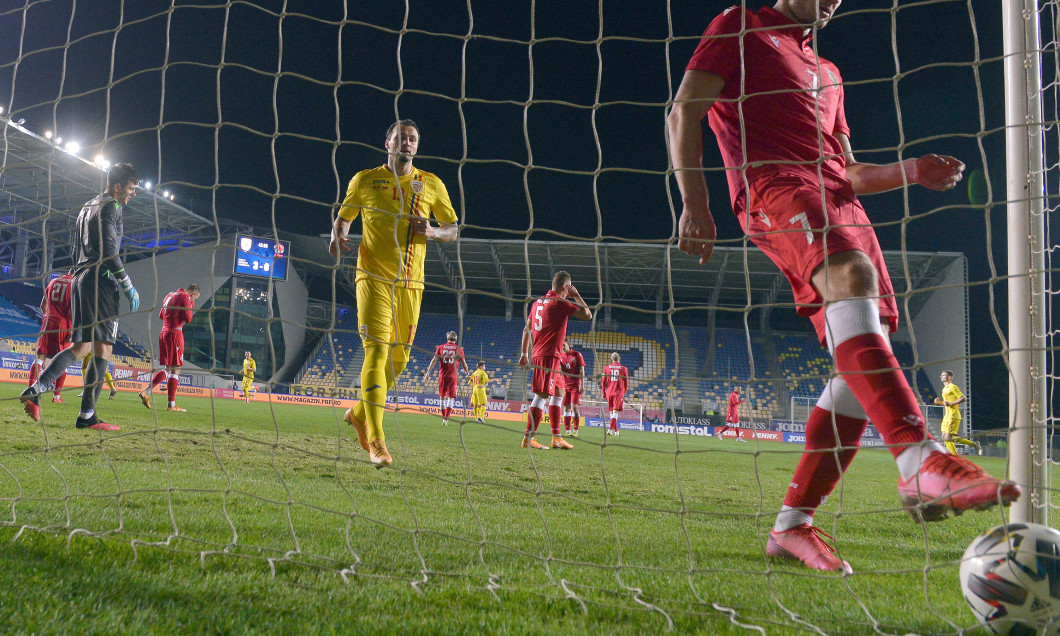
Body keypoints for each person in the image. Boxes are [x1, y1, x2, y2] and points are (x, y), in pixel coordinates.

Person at [667, 0, 1019, 573]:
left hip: (840, 204)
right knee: (851, 284)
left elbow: (848, 171)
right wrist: (695, 203)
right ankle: (920, 460)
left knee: (857, 367)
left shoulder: (829, 73)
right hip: (775, 186)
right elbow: (685, 110)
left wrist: (911, 171)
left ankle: (792, 526)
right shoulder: (740, 26)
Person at [330, 120, 458, 467]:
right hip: (372, 278)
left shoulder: (431, 184)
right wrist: (337, 234)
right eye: (401, 137)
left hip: (411, 284)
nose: (407, 142)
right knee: (376, 352)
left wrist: (432, 232)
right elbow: (344, 218)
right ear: (388, 142)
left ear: (417, 146)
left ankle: (358, 413)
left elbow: (453, 229)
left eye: (413, 138)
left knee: (398, 361)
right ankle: (376, 440)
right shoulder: (365, 179)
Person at [20, 163, 141, 430]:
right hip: (100, 281)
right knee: (104, 348)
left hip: (80, 278)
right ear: (117, 186)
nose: (133, 194)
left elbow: (76, 247)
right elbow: (109, 250)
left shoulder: (88, 205)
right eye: (131, 189)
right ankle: (87, 416)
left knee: (81, 347)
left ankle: (37, 388)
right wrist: (126, 282)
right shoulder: (113, 206)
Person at [519, 271, 592, 450]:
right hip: (549, 354)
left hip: (546, 354)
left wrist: (524, 354)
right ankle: (528, 438)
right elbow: (587, 315)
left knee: (559, 393)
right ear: (564, 287)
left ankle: (556, 437)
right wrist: (577, 295)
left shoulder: (537, 302)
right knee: (542, 395)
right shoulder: (560, 302)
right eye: (569, 289)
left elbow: (526, 329)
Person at [138, 284, 200, 412]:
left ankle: (148, 392)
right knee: (175, 369)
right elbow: (188, 318)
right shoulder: (185, 297)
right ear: (193, 294)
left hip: (163, 333)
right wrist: (191, 305)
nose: (193, 301)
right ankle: (170, 404)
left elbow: (161, 315)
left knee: (168, 368)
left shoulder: (170, 294)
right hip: (175, 334)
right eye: (195, 299)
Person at [29, 272, 73, 404]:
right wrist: (71, 329)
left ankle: (30, 389)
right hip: (63, 325)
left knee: (40, 357)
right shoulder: (76, 285)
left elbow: (43, 305)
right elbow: (72, 311)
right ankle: (57, 397)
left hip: (47, 321)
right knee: (62, 360)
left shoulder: (53, 282)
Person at [422, 330, 470, 426]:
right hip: (453, 376)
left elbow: (434, 360)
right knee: (451, 398)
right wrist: (467, 373)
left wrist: (428, 372)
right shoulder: (459, 349)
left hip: (442, 376)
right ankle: (446, 419)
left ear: (447, 339)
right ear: (455, 340)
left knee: (442, 397)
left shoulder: (440, 347)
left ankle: (444, 418)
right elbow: (464, 363)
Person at [934, 370, 979, 456]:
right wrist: (939, 402)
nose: (941, 376)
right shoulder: (944, 389)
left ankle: (955, 457)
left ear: (949, 377)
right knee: (945, 438)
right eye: (941, 375)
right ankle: (973, 444)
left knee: (947, 438)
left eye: (943, 375)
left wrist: (951, 403)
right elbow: (947, 403)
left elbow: (963, 398)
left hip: (953, 415)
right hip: (947, 415)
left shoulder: (953, 387)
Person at [559, 341, 586, 436]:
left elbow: (582, 370)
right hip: (565, 385)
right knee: (566, 407)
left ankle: (576, 430)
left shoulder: (577, 354)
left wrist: (582, 385)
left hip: (575, 385)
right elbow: (558, 370)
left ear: (568, 344)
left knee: (574, 407)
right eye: (561, 346)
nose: (563, 347)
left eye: (564, 345)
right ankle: (567, 431)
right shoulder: (561, 356)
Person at [600, 352, 629, 437]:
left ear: (611, 359)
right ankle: (609, 430)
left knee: (612, 413)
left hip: (609, 392)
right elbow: (626, 381)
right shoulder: (624, 369)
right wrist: (625, 390)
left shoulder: (606, 368)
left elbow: (603, 382)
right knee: (616, 412)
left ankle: (616, 432)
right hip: (618, 392)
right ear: (619, 358)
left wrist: (603, 393)